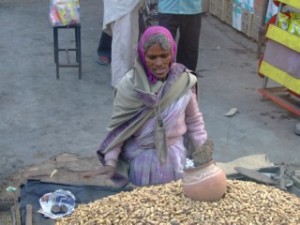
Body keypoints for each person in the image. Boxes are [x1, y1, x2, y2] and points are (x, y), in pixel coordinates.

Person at [84, 26, 209, 186]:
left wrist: (205, 154)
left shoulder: (183, 82)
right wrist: (110, 162)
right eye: (152, 57)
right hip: (141, 163)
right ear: (143, 56)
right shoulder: (130, 86)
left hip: (176, 161)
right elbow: (119, 129)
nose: (159, 63)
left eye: (164, 56)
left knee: (175, 207)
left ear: (172, 53)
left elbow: (194, 122)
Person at [102, 0, 144, 88]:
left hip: (128, 6)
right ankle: (120, 83)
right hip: (122, 6)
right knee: (123, 45)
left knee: (128, 44)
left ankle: (126, 80)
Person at [158, 0, 203, 71]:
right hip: (167, 7)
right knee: (164, 48)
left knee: (189, 49)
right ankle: (164, 80)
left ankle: (187, 79)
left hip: (192, 8)